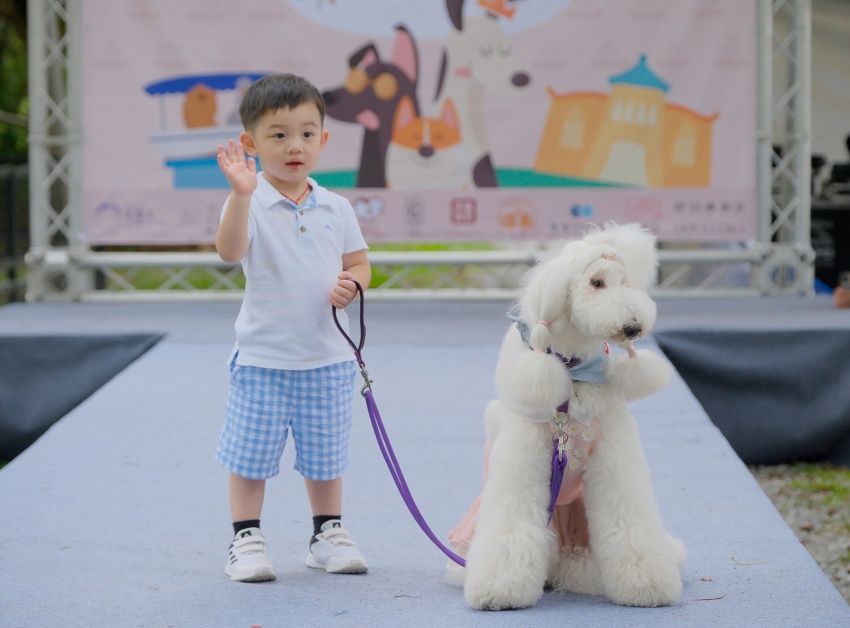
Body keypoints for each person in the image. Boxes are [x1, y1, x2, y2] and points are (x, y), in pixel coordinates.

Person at [214, 73, 371, 582]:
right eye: (277, 135)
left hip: (328, 358)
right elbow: (229, 252)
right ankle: (246, 539)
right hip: (263, 359)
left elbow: (361, 264)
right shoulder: (249, 199)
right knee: (250, 457)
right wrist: (240, 195)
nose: (294, 146)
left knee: (326, 459)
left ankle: (327, 534)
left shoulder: (337, 206)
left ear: (323, 140)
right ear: (250, 144)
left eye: (306, 133)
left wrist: (353, 283)